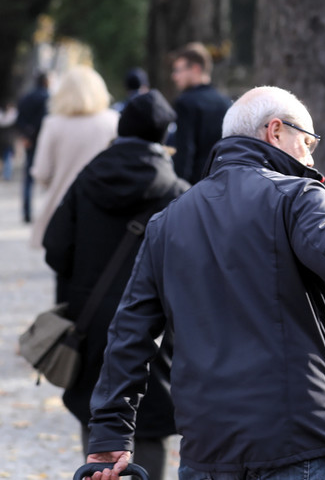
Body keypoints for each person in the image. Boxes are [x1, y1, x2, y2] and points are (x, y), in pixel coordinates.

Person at [84, 85, 325, 480]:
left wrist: (109, 435)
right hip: (290, 438)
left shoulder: (168, 221)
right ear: (275, 131)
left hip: (205, 443)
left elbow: (128, 335)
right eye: (307, 142)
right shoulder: (295, 196)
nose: (310, 156)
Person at [44, 90, 188, 480]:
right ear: (164, 137)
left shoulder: (87, 179)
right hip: (154, 334)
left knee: (98, 419)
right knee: (151, 424)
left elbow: (55, 248)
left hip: (88, 323)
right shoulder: (177, 195)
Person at [29, 66, 119, 249]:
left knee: (64, 269)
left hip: (63, 210)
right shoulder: (113, 121)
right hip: (105, 209)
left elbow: (41, 172)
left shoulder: (53, 124)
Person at [168, 42, 231, 184]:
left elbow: (185, 152)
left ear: (195, 69)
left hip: (196, 186)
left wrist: (179, 189)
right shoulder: (226, 102)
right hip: (223, 182)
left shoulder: (185, 102)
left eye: (178, 70)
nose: (174, 76)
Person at [15, 72, 50, 222]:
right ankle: (46, 211)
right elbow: (45, 120)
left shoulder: (25, 97)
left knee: (28, 178)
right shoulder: (47, 97)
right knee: (46, 176)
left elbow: (19, 119)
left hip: (30, 142)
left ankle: (26, 212)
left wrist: (26, 135)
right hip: (43, 142)